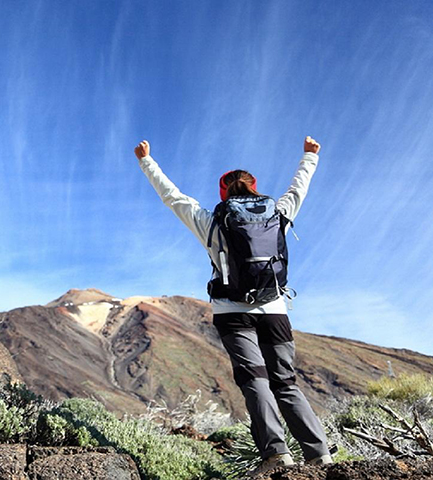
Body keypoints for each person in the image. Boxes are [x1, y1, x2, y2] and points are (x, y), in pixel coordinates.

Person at [134, 137, 332, 474]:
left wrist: (146, 161)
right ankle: (320, 455)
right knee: (286, 382)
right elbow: (298, 189)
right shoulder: (278, 213)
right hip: (275, 310)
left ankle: (276, 454)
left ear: (223, 194)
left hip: (232, 312)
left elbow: (173, 197)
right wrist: (309, 157)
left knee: (255, 380)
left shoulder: (213, 222)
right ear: (255, 189)